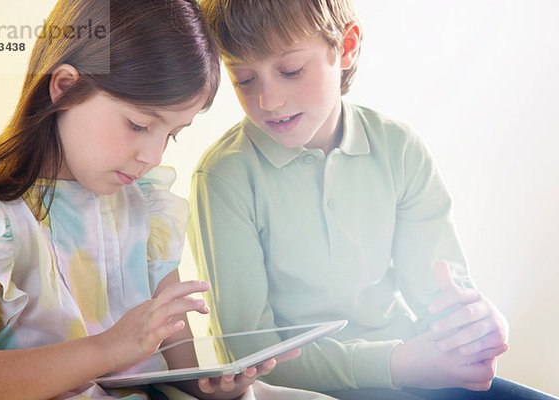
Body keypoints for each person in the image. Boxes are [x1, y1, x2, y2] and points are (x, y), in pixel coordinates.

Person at [187, 0, 558, 399]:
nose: (268, 101)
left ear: (345, 47)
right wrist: (396, 363)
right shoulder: (224, 178)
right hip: (308, 390)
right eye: (244, 79)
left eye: (291, 70)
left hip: (415, 373)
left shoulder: (399, 149)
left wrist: (475, 327)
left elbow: (442, 297)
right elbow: (250, 358)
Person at [0, 1, 319, 399]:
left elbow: (182, 369)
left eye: (171, 134)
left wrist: (216, 388)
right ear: (64, 88)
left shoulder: (146, 209)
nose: (154, 156)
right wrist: (106, 349)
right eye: (139, 124)